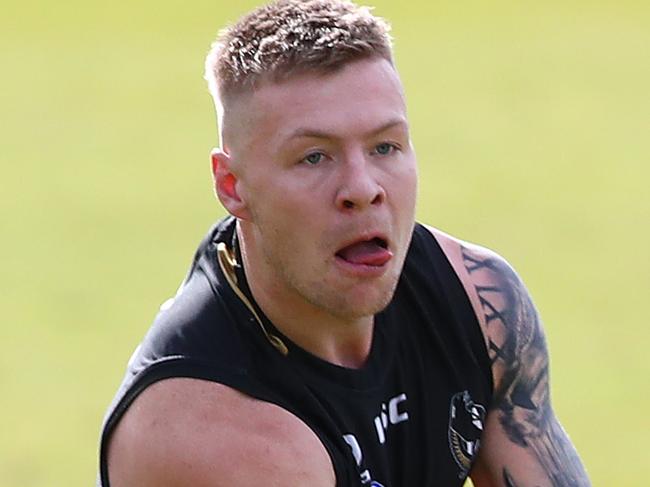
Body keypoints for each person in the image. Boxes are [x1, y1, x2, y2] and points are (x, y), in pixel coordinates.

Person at [98, 1, 591, 486]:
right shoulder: (218, 435)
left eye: (385, 147)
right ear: (233, 186)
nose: (362, 188)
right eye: (314, 157)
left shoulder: (480, 306)